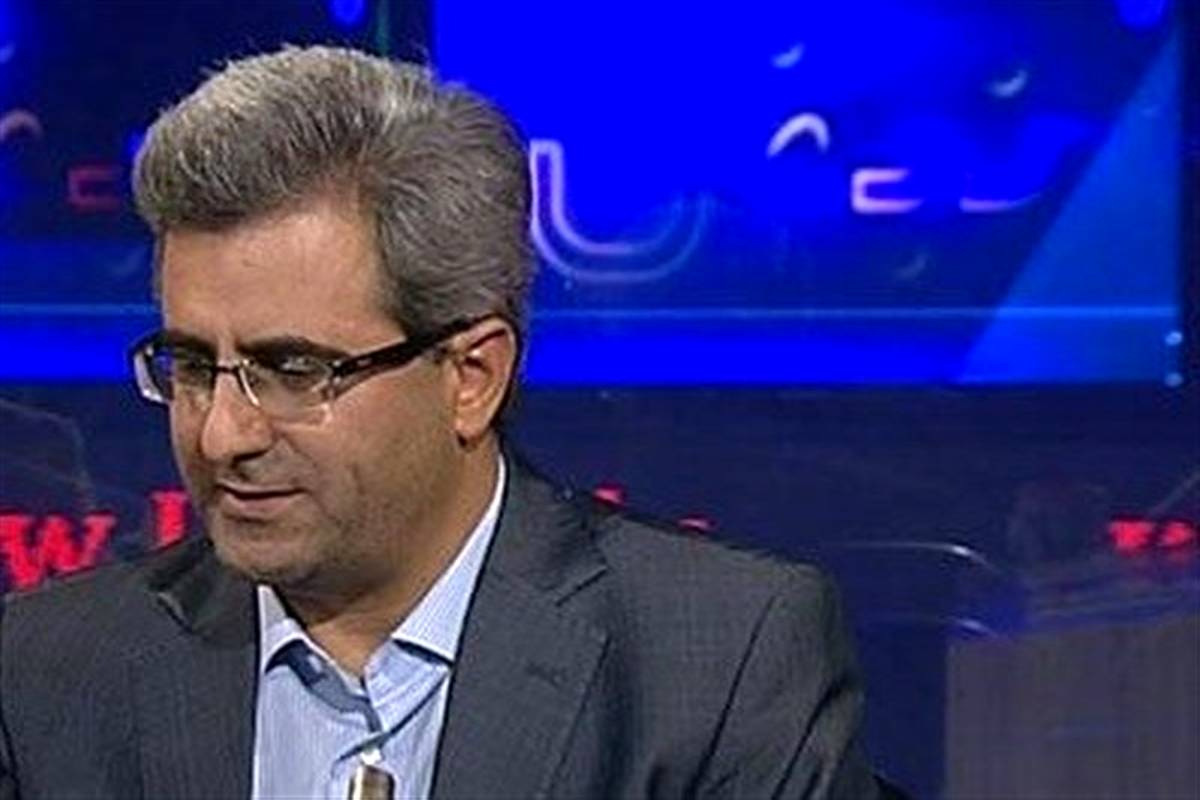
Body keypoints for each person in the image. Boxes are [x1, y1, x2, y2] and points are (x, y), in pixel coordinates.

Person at [0, 46, 879, 799]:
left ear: (472, 377)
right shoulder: (46, 671)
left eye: (294, 371)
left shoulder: (721, 662)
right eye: (193, 366)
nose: (222, 435)